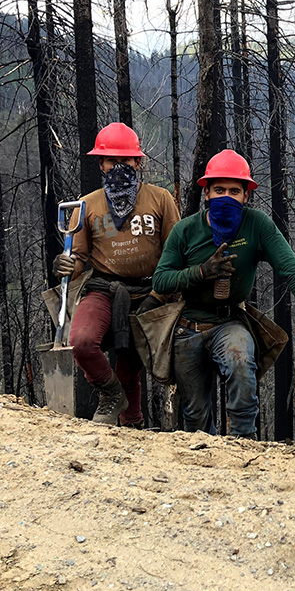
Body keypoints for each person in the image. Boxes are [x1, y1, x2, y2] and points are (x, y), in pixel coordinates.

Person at [151, 149, 295, 437]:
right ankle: (204, 460)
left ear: (246, 196)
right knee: (194, 415)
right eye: (218, 190)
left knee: (242, 367)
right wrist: (202, 272)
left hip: (229, 321)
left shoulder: (256, 224)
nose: (226, 197)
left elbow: (291, 267)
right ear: (206, 193)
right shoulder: (185, 230)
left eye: (234, 190)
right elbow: (161, 280)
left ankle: (244, 445)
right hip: (188, 325)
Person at [56, 122, 181, 427]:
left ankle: (133, 428)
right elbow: (80, 259)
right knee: (83, 342)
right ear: (100, 164)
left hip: (148, 293)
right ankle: (111, 395)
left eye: (125, 160)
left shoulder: (160, 199)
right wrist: (67, 266)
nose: (118, 167)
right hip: (103, 289)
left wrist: (164, 296)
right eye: (111, 160)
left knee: (129, 370)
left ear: (138, 162)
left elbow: (176, 250)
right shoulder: (86, 205)